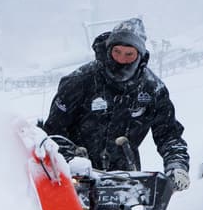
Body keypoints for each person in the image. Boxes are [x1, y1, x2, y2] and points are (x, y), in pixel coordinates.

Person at [42, 18, 190, 190]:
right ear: (108, 50)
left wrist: (177, 164)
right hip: (74, 177)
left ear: (140, 56)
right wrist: (71, 163)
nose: (121, 60)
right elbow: (54, 131)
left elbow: (169, 134)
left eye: (129, 54)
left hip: (124, 179)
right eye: (117, 52)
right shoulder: (79, 82)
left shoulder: (152, 89)